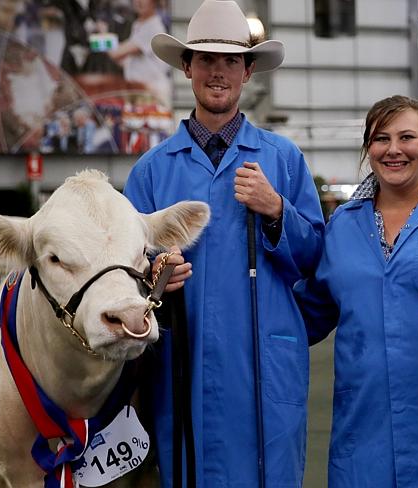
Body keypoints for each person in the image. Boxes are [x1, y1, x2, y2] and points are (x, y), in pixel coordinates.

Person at [122, 1, 325, 487]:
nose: (219, 72)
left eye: (231, 60)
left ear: (248, 70)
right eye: (206, 60)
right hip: (181, 364)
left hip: (264, 366)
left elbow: (317, 257)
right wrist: (152, 275)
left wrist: (278, 210)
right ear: (187, 67)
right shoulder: (150, 171)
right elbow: (123, 270)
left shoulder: (284, 160)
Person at [294, 95, 418, 487]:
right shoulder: (342, 223)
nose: (393, 150)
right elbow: (313, 309)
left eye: (406, 137)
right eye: (380, 139)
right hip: (363, 423)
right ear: (367, 148)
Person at [107, 0, 171, 104]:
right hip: (137, 90)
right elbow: (125, 60)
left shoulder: (153, 27)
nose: (138, 2)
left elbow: (116, 53)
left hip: (151, 92)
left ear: (154, 2)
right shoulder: (138, 24)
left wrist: (103, 37)